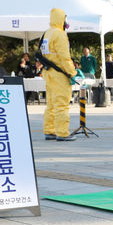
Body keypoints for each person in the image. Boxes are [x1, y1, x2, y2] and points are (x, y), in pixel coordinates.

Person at [41, 8, 77, 142]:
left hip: (48, 73)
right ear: (61, 19)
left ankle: (49, 130)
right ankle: (62, 133)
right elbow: (64, 57)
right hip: (60, 74)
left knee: (51, 104)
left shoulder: (46, 34)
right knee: (62, 104)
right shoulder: (60, 34)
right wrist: (72, 73)